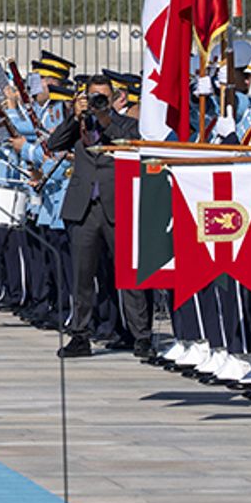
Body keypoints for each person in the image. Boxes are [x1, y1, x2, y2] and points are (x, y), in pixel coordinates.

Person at [46, 75, 142, 358]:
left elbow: (131, 142)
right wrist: (75, 117)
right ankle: (80, 335)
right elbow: (54, 143)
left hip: (117, 205)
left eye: (103, 97)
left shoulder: (126, 124)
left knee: (129, 273)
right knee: (82, 277)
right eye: (93, 97)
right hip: (84, 207)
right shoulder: (81, 125)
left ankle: (141, 335)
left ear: (114, 98)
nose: (98, 101)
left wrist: (105, 118)